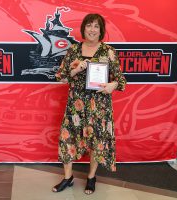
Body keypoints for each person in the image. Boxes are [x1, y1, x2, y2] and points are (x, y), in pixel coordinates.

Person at [53, 13, 126, 195]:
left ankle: (91, 177)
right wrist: (76, 69)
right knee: (67, 139)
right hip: (75, 105)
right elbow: (61, 77)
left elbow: (121, 80)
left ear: (101, 30)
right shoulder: (73, 50)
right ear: (83, 28)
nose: (92, 29)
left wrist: (112, 85)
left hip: (99, 106)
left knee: (96, 142)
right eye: (89, 26)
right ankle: (68, 177)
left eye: (96, 26)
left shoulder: (108, 51)